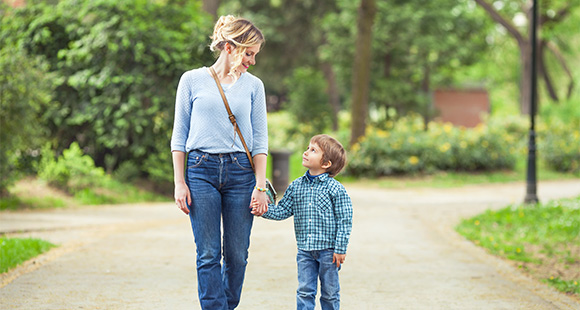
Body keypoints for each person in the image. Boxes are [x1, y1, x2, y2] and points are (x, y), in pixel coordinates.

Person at [170, 15, 268, 310]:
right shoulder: (191, 80)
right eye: (248, 53)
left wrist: (260, 186)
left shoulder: (254, 86)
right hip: (200, 171)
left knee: (237, 254)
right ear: (229, 46)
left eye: (255, 55)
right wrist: (179, 182)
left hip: (241, 173)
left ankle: (225, 305)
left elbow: (260, 142)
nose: (252, 60)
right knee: (208, 252)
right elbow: (179, 136)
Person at [251, 134, 353, 310]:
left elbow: (345, 220)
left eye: (313, 150)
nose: (306, 152)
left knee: (330, 293)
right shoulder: (296, 186)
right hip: (305, 251)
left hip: (329, 252)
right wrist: (263, 209)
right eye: (308, 148)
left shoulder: (336, 189)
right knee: (305, 290)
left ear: (326, 163)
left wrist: (340, 248)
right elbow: (283, 210)